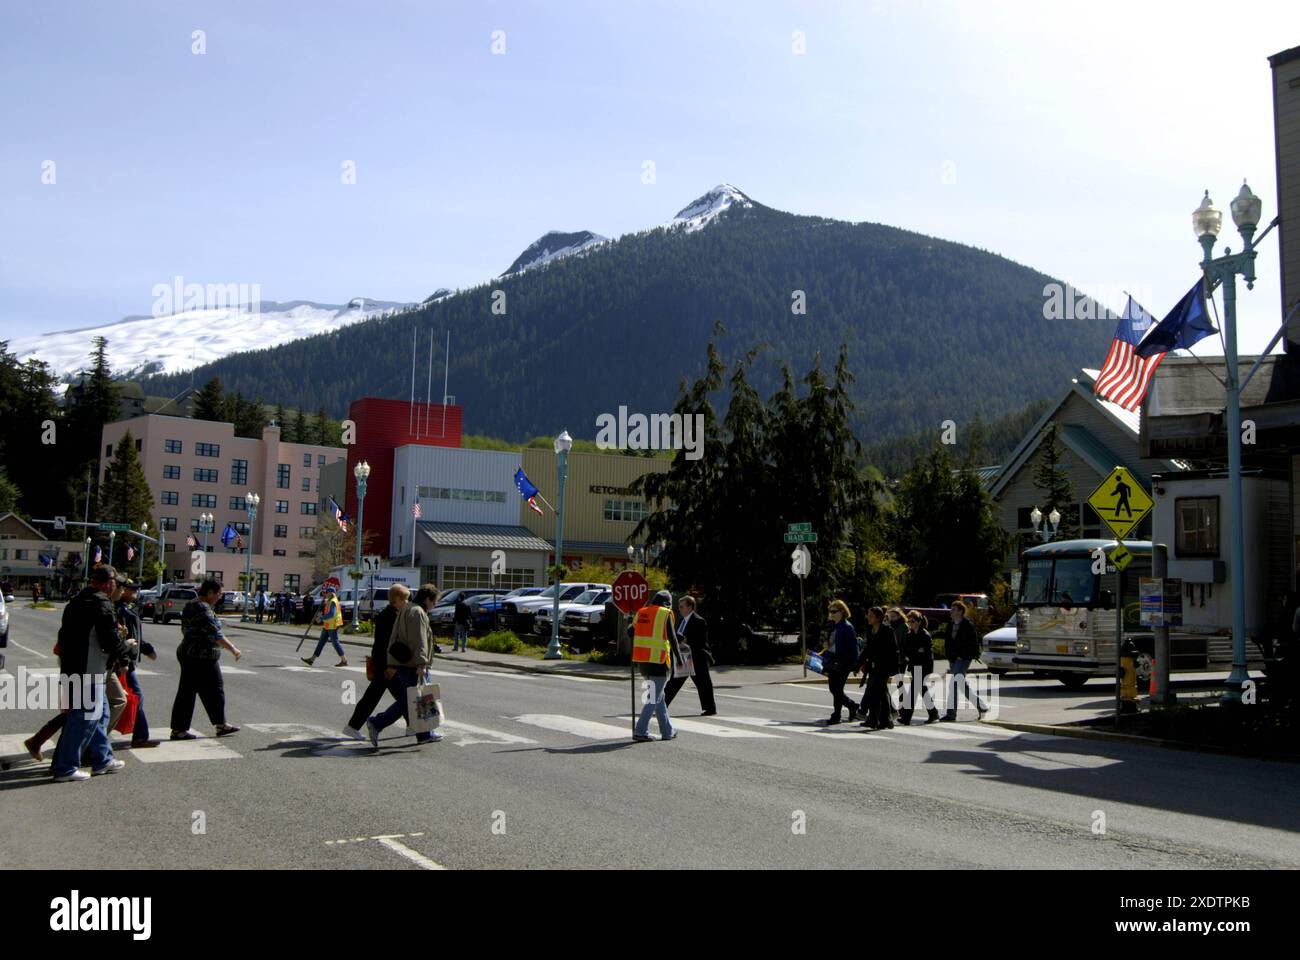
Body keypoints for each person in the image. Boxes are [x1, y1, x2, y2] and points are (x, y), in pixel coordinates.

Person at [48, 565, 131, 782]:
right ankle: (64, 767)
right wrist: (125, 653)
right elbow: (109, 639)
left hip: (75, 667)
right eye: (115, 581)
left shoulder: (76, 601)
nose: (117, 585)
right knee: (83, 718)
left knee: (100, 714)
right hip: (89, 670)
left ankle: (102, 759)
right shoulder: (101, 603)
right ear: (107, 583)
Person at [366, 584, 441, 746]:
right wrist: (422, 664)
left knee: (414, 699)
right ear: (427, 599)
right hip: (412, 664)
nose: (434, 606)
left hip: (405, 663)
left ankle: (424, 734)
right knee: (409, 700)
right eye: (434, 603)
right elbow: (419, 640)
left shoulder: (408, 609)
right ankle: (377, 722)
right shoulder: (418, 612)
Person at [170, 578, 242, 739]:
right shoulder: (202, 609)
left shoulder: (192, 604)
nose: (219, 597)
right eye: (218, 594)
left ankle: (219, 724)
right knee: (200, 691)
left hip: (192, 653)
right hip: (198, 656)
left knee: (208, 690)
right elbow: (215, 634)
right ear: (209, 593)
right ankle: (180, 729)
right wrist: (233, 649)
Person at [343, 583, 404, 740]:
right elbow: (388, 643)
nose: (407, 602)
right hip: (386, 664)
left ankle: (353, 726)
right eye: (405, 599)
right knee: (402, 697)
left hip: (382, 661)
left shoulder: (387, 613)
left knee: (393, 696)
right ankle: (354, 726)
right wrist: (391, 665)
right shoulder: (392, 616)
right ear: (397, 599)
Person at [117, 579, 161, 748]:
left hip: (128, 661)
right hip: (123, 662)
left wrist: (146, 648)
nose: (135, 593)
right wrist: (125, 660)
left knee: (129, 699)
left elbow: (134, 635)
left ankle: (140, 736)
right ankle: (140, 736)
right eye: (131, 589)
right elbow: (121, 638)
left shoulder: (127, 609)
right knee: (133, 697)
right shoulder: (118, 609)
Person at [632, 590, 681, 742]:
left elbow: (629, 632)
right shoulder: (665, 614)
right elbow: (672, 639)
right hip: (659, 663)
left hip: (643, 663)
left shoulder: (641, 612)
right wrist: (679, 658)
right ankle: (640, 731)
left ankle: (667, 731)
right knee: (653, 697)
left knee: (658, 697)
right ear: (667, 603)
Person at [664, 595, 716, 715]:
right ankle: (662, 706)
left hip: (697, 658)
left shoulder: (699, 621)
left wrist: (685, 640)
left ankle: (710, 708)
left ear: (690, 607)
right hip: (684, 657)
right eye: (679, 606)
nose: (679, 609)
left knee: (703, 683)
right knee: (674, 682)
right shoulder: (682, 620)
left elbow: (702, 641)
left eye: (682, 606)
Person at [941, 599, 988, 721]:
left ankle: (951, 714)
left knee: (954, 684)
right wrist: (949, 655)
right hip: (953, 659)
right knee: (962, 685)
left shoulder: (968, 625)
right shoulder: (950, 625)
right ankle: (981, 706)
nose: (951, 612)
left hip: (963, 659)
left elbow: (973, 643)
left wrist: (964, 655)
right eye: (951, 609)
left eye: (954, 610)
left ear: (961, 611)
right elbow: (948, 642)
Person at [857, 606, 898, 730]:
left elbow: (894, 650)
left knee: (877, 692)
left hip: (885, 666)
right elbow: (867, 649)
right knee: (878, 693)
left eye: (870, 616)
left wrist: (894, 667)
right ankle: (878, 720)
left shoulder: (887, 630)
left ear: (878, 618)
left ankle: (883, 719)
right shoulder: (870, 630)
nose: (868, 618)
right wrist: (858, 664)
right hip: (874, 666)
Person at [821, 599, 860, 724]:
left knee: (837, 689)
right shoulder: (833, 626)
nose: (831, 614)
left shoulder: (847, 627)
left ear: (842, 612)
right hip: (833, 661)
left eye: (834, 611)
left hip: (843, 662)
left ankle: (837, 715)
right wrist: (826, 644)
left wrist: (855, 665)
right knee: (834, 689)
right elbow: (832, 644)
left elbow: (854, 647)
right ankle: (852, 706)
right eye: (830, 611)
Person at [898, 610, 940, 725]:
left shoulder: (925, 635)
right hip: (914, 666)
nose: (910, 623)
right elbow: (907, 650)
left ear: (919, 622)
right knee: (922, 690)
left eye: (913, 621)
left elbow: (926, 653)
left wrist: (916, 652)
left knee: (913, 692)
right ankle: (933, 713)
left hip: (924, 666)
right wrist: (916, 652)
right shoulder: (909, 634)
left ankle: (906, 717)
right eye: (909, 621)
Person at [302, 585, 347, 666]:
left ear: (331, 593)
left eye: (328, 592)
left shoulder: (333, 601)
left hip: (332, 626)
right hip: (327, 625)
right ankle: (312, 659)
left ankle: (344, 660)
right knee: (321, 642)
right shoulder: (329, 601)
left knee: (335, 643)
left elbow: (331, 614)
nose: (326, 594)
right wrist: (321, 616)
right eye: (326, 592)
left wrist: (322, 618)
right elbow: (328, 613)